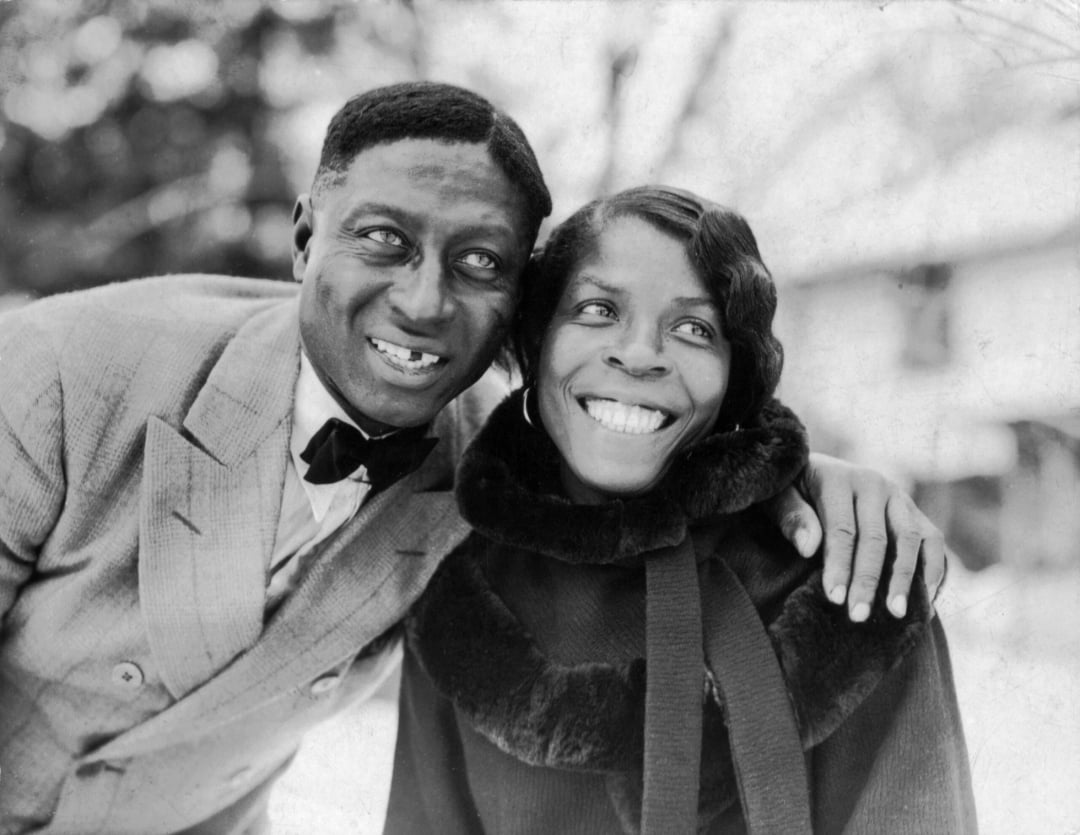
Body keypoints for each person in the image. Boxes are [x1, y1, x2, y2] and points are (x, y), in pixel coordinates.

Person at [0, 83, 943, 834]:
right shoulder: (57, 377)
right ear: (302, 240)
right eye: (383, 238)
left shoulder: (493, 473)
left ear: (511, 321)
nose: (424, 301)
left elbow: (642, 431)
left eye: (482, 262)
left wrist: (810, 475)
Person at [385, 186, 976, 834]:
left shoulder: (850, 578)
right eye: (597, 308)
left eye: (694, 328)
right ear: (536, 341)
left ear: (735, 377)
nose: (639, 354)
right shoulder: (462, 601)